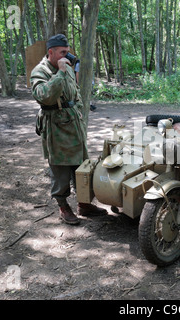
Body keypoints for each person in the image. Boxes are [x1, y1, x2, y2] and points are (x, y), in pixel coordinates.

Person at [30, 34, 106, 225]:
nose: (67, 55)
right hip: (56, 127)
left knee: (82, 165)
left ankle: (84, 204)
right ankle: (63, 207)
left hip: (74, 124)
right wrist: (61, 73)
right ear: (51, 52)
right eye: (63, 52)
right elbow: (45, 96)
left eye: (68, 52)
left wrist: (78, 110)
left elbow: (76, 92)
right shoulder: (40, 72)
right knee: (60, 168)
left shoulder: (67, 67)